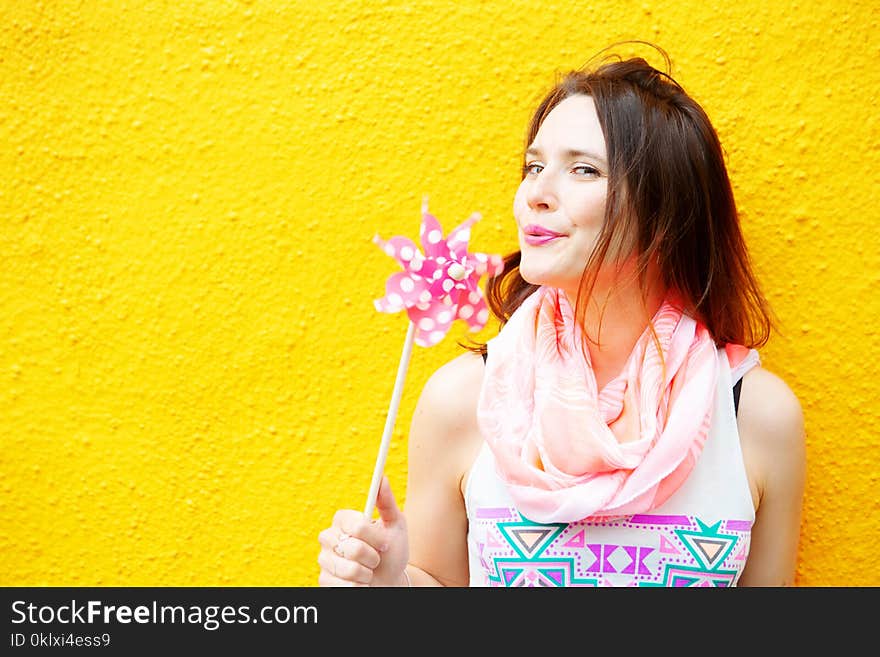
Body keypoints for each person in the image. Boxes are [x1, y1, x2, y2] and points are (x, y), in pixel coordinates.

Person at [317, 45, 806, 587]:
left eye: (583, 169)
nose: (535, 195)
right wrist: (392, 585)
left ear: (666, 211)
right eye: (533, 166)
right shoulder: (462, 401)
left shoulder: (754, 415)